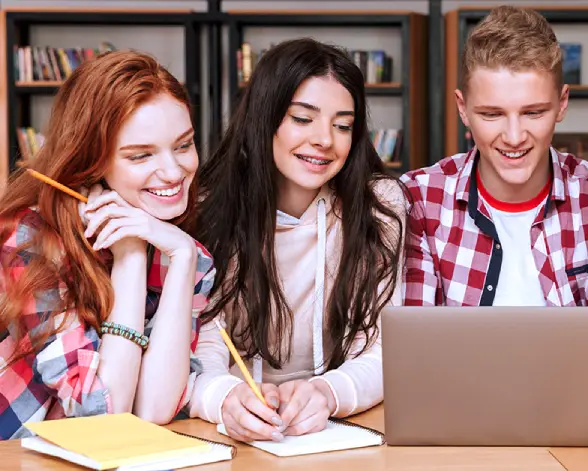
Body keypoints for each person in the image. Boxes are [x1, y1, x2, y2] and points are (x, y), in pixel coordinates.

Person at [188, 38, 405, 443]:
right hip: (231, 434)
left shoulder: (380, 206)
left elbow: (382, 351)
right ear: (264, 118)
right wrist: (224, 397)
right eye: (303, 119)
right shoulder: (208, 207)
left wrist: (327, 393)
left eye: (342, 125)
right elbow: (203, 345)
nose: (325, 139)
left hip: (342, 431)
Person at [0, 51, 215, 439]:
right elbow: (104, 419)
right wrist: (130, 256)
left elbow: (153, 410)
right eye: (141, 155)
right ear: (92, 161)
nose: (174, 171)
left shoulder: (181, 252)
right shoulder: (31, 237)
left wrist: (183, 258)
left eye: (183, 145)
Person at [402, 5, 588, 308]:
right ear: (463, 108)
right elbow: (414, 343)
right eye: (492, 114)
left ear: (562, 103)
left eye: (533, 112)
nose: (514, 137)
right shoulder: (420, 199)